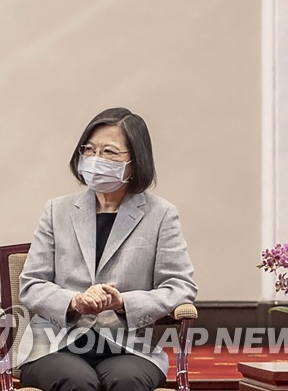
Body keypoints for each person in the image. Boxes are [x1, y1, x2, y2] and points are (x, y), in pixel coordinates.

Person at [17, 108, 197, 391]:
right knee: (77, 382)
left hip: (128, 346)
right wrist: (74, 302)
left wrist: (123, 303)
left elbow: (180, 286)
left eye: (109, 152)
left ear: (135, 162)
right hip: (54, 344)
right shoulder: (57, 210)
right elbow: (31, 284)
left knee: (125, 381)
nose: (96, 159)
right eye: (89, 150)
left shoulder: (161, 214)